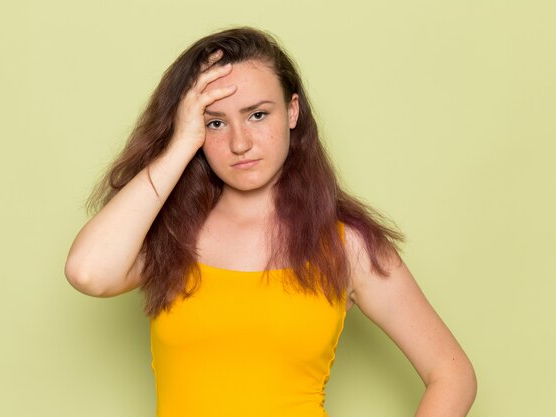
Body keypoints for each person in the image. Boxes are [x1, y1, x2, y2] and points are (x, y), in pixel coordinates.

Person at [64, 26, 477, 417]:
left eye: (258, 115)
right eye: (215, 122)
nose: (240, 142)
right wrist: (181, 143)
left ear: (292, 111)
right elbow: (88, 272)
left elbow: (452, 374)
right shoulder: (170, 234)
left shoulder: (344, 244)